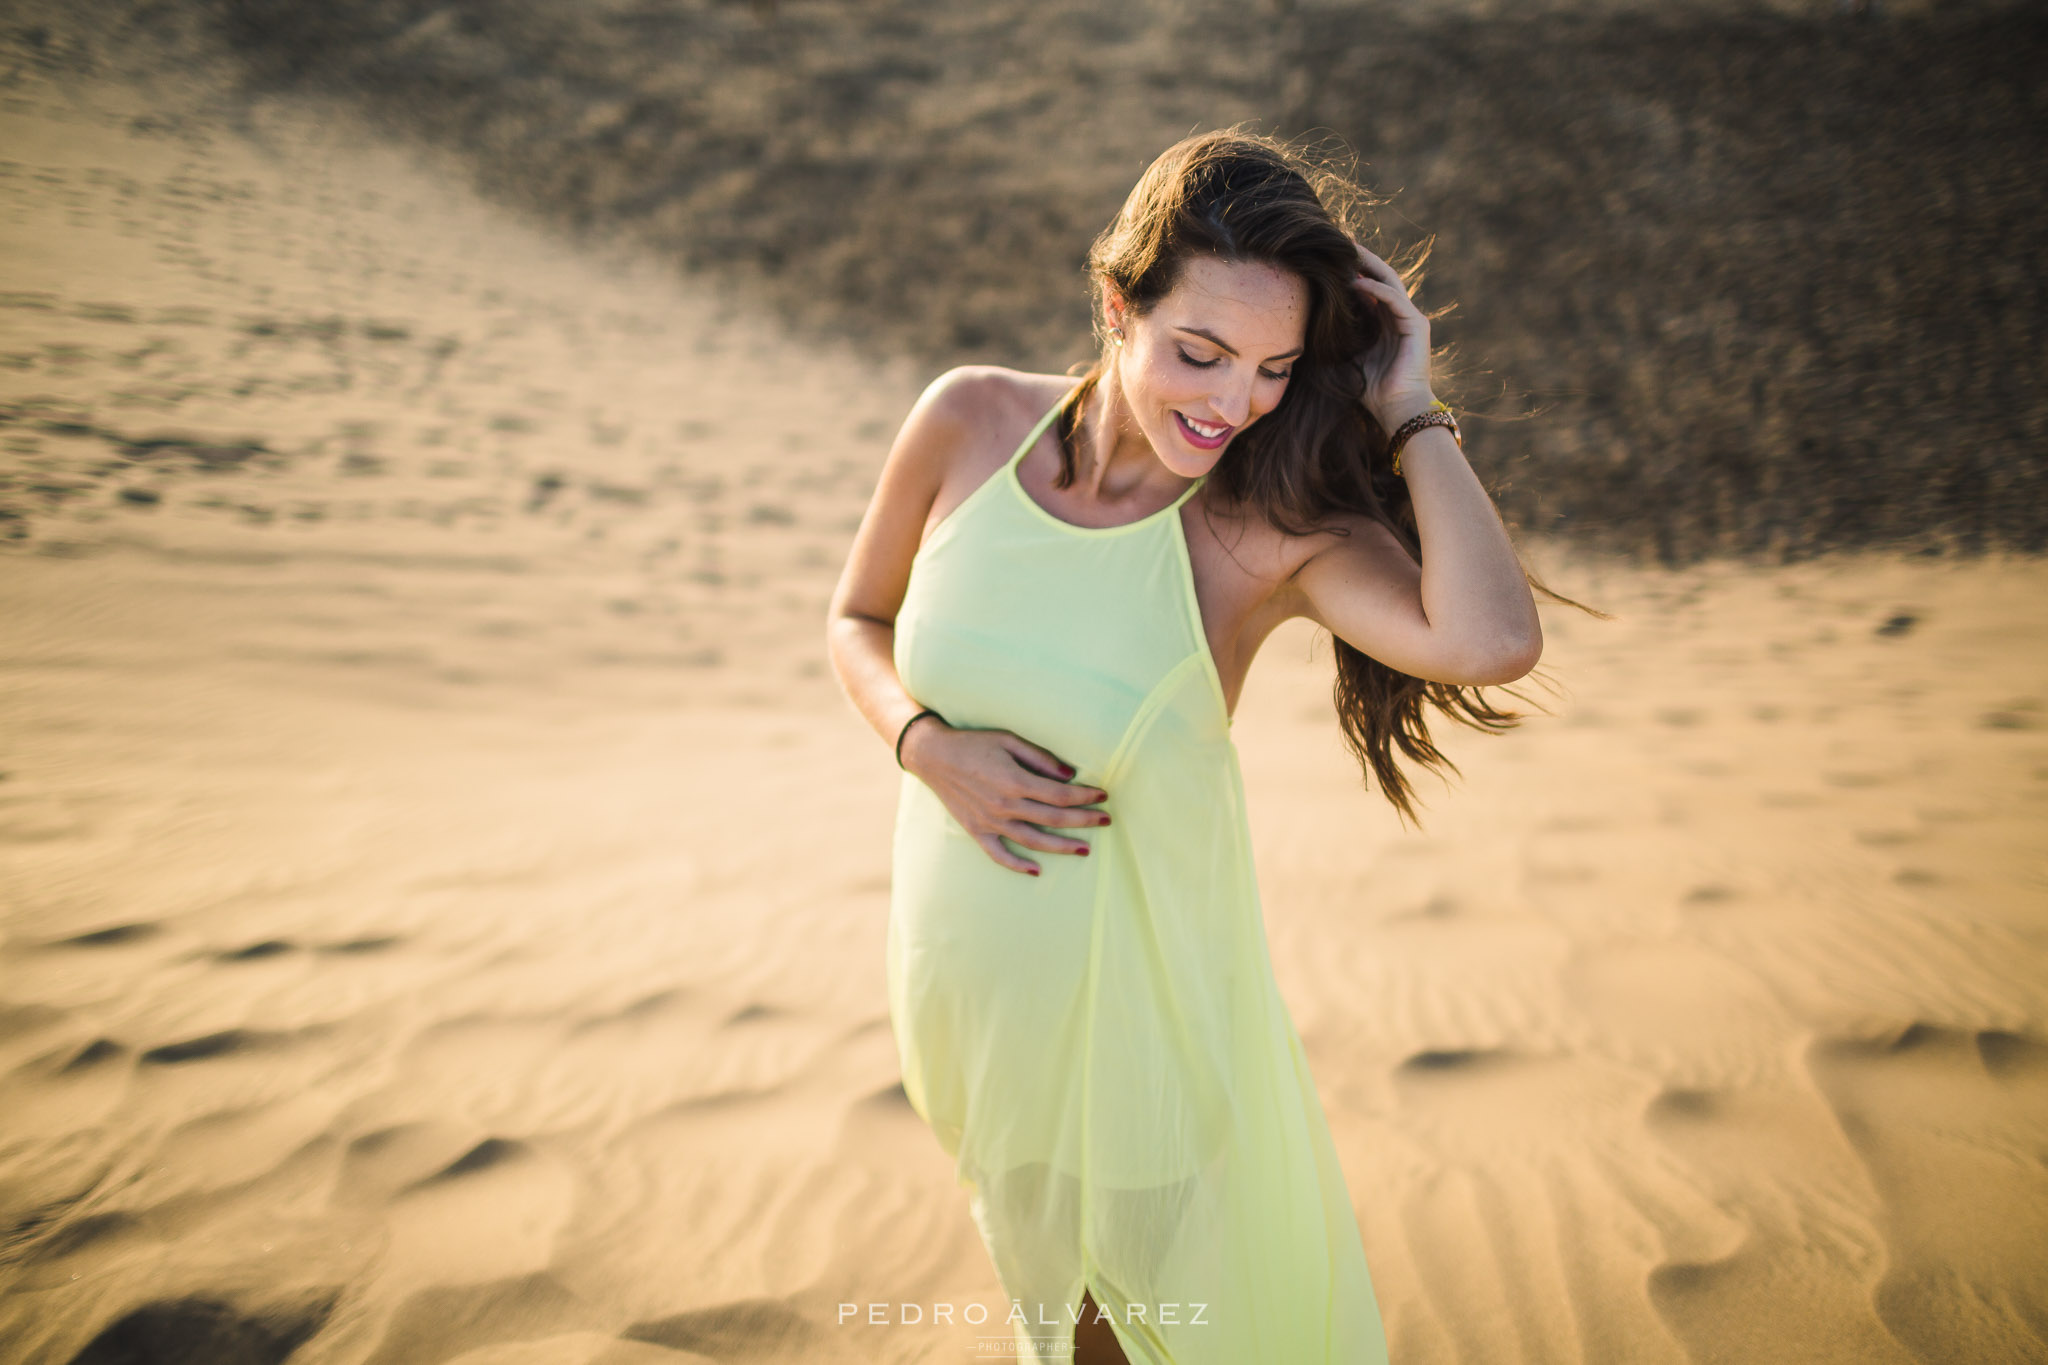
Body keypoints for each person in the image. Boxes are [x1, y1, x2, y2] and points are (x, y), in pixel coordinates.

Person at [826, 127, 1600, 1364]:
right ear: (1114, 303)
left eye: (1272, 368)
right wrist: (925, 746)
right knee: (1058, 1320)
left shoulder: (1257, 534)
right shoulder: (968, 421)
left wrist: (1409, 404)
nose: (1231, 404)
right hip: (967, 1011)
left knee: (1146, 1339)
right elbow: (855, 618)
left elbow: (1490, 641)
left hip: (1142, 1036)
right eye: (1198, 353)